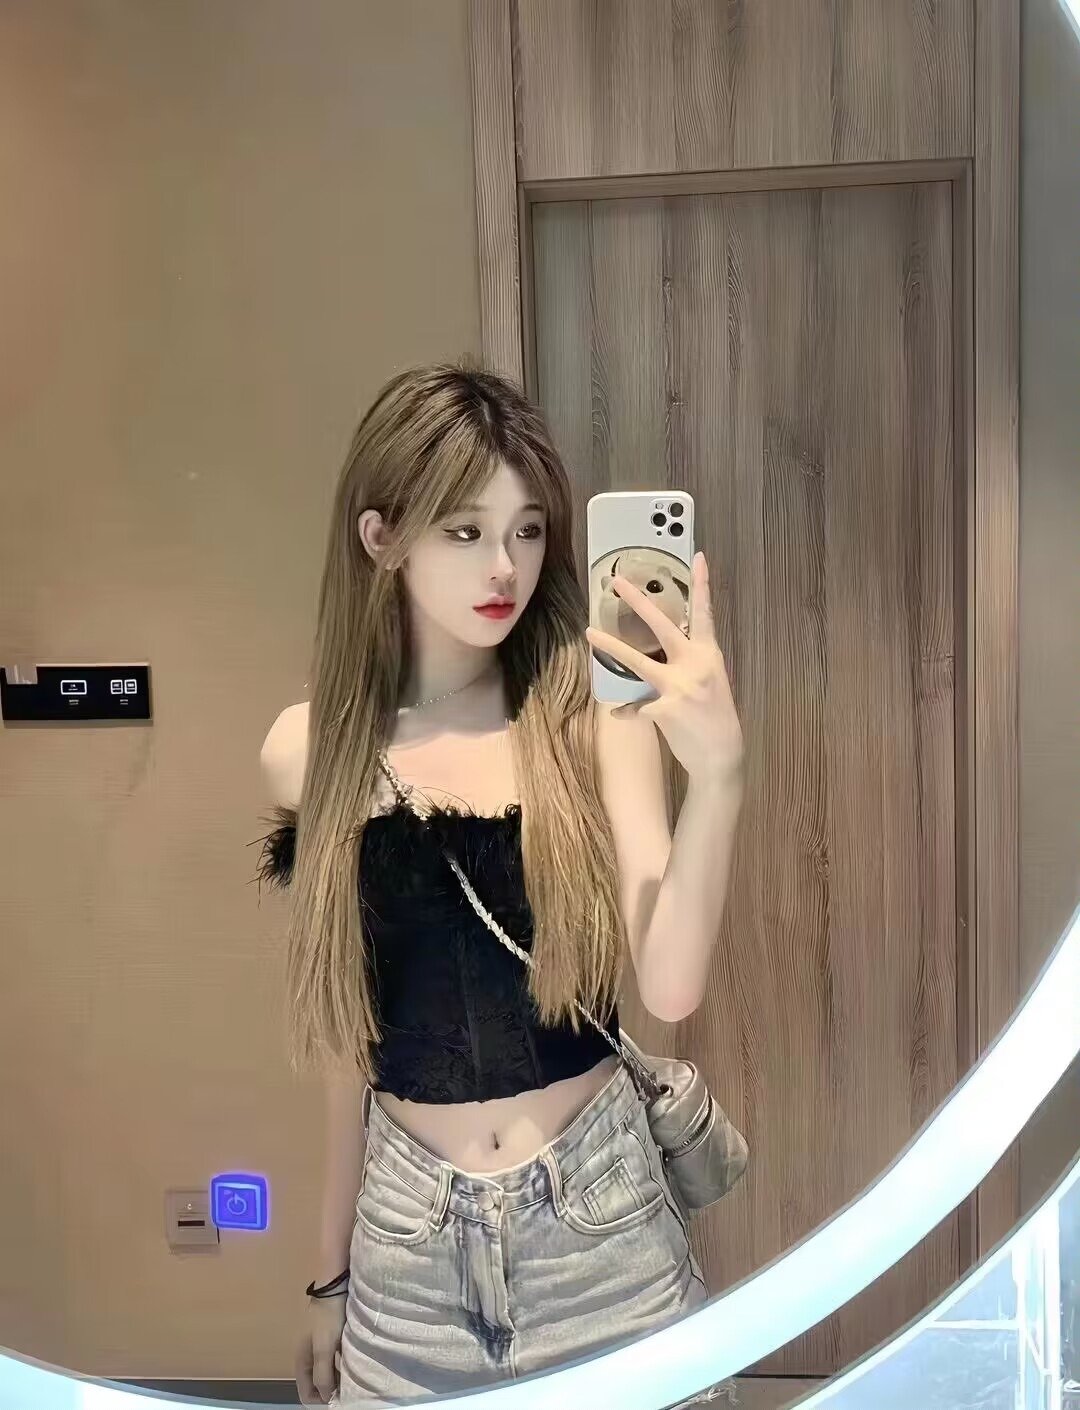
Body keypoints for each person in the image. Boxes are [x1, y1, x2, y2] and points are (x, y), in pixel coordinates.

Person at [258, 365, 744, 1408]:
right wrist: (328, 1276)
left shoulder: (591, 719)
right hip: (406, 1252)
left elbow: (669, 987)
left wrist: (719, 776)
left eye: (527, 531)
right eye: (465, 531)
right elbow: (349, 1047)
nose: (504, 566)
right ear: (382, 537)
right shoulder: (310, 753)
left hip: (602, 1231)